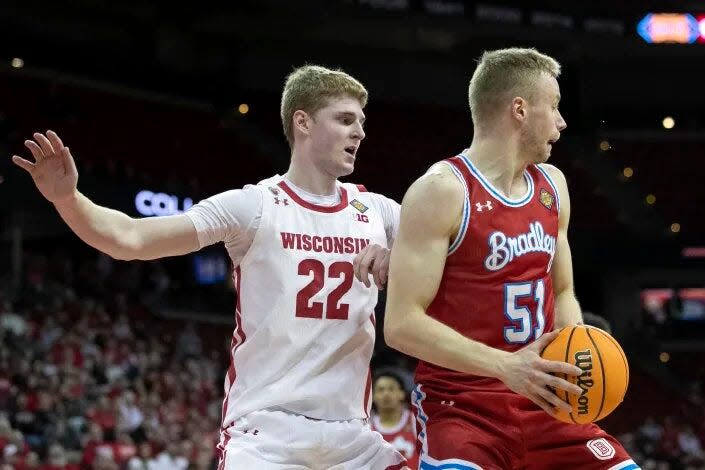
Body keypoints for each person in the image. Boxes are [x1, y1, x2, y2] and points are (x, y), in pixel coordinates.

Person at [12, 65, 406, 470]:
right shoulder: (253, 205)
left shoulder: (380, 212)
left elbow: (461, 255)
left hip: (352, 436)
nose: (359, 132)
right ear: (302, 122)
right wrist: (68, 200)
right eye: (344, 120)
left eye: (361, 122)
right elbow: (130, 238)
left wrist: (403, 259)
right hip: (266, 436)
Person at [383, 48, 639, 469]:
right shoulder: (443, 191)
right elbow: (401, 324)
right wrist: (507, 367)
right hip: (463, 405)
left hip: (542, 398)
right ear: (519, 110)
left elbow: (564, 290)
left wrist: (575, 365)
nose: (561, 122)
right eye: (554, 107)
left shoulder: (553, 185)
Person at [371, 370, 419, 469]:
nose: (386, 394)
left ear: (402, 393)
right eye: (380, 390)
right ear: (373, 396)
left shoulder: (415, 421)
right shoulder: (367, 427)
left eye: (391, 389)